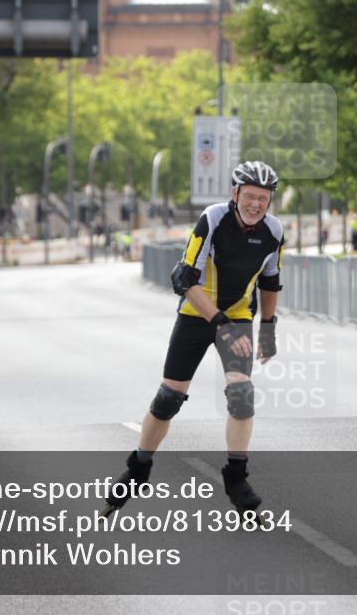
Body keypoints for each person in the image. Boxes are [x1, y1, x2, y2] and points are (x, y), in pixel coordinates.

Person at [102, 161, 284, 517]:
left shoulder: (274, 231)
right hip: (196, 314)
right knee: (169, 397)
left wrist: (268, 329)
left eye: (263, 199)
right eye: (250, 196)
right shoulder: (213, 219)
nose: (256, 204)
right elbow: (184, 279)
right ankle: (138, 468)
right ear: (235, 194)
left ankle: (236, 478)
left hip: (236, 316)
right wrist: (218, 322)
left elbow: (270, 281)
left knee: (242, 395)